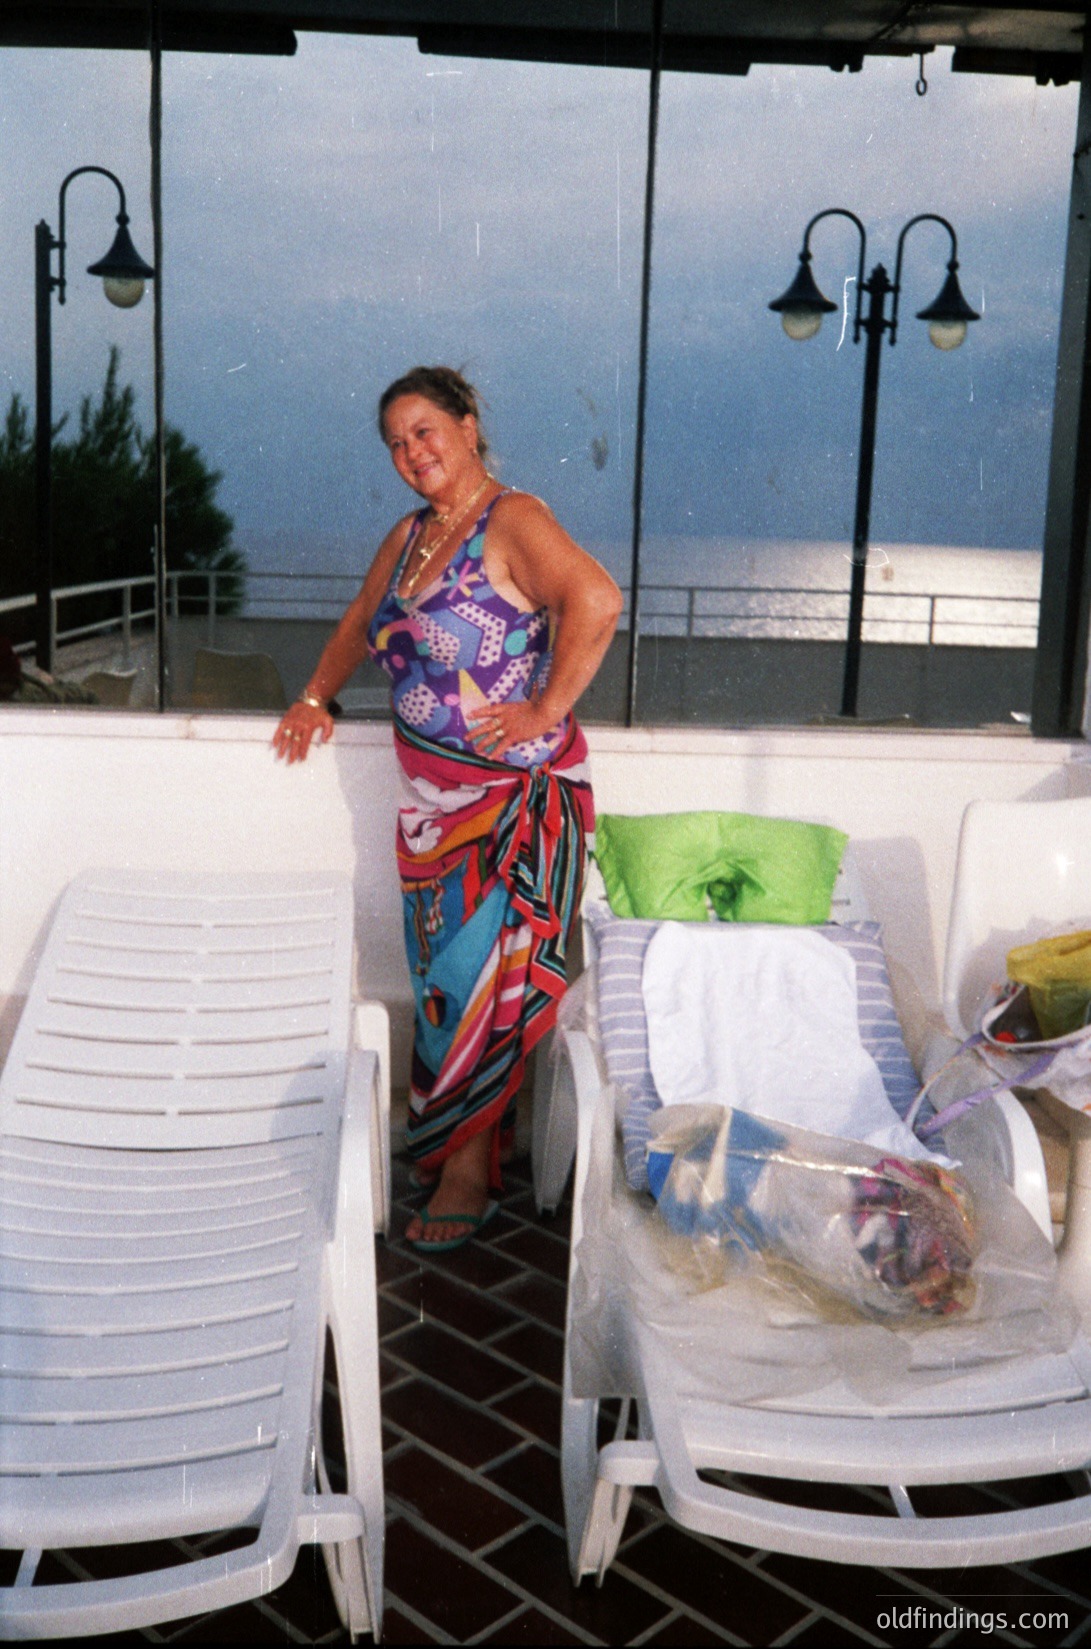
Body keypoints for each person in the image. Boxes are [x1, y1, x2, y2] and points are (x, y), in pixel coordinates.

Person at [273, 366, 621, 1251]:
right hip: (430, 808)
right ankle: (468, 1150)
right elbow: (363, 614)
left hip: (508, 808)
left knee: (477, 986)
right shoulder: (413, 534)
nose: (411, 453)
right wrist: (316, 696)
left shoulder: (513, 520)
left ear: (468, 428)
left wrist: (544, 709)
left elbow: (597, 599)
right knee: (444, 982)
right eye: (395, 441)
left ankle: (467, 1175)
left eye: (425, 431)